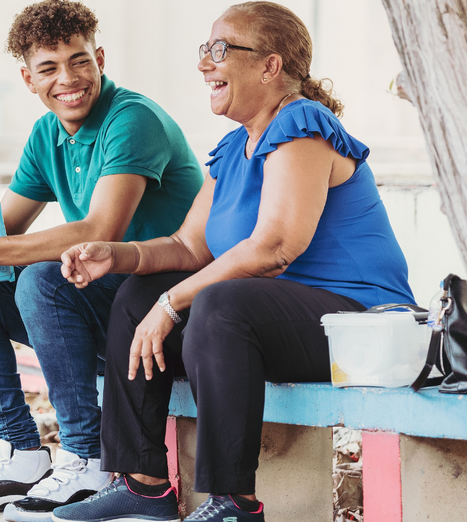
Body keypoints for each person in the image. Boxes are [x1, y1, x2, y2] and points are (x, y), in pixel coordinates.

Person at [51, 3, 416, 522]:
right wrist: (120, 255)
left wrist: (174, 302)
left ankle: (234, 504)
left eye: (220, 49)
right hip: (277, 319)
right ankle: (144, 486)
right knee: (136, 295)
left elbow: (274, 248)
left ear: (270, 65)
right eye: (205, 49)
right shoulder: (232, 148)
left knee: (220, 302)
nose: (205, 63)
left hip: (358, 322)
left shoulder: (304, 124)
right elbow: (186, 247)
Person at [0, 0, 203, 519]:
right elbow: (2, 230)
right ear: (28, 79)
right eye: (49, 68)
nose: (68, 79)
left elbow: (99, 232)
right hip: (105, 312)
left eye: (79, 61)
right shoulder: (47, 136)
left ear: (100, 58)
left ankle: (87, 455)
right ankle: (19, 453)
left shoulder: (132, 119)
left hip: (168, 314)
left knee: (44, 280)